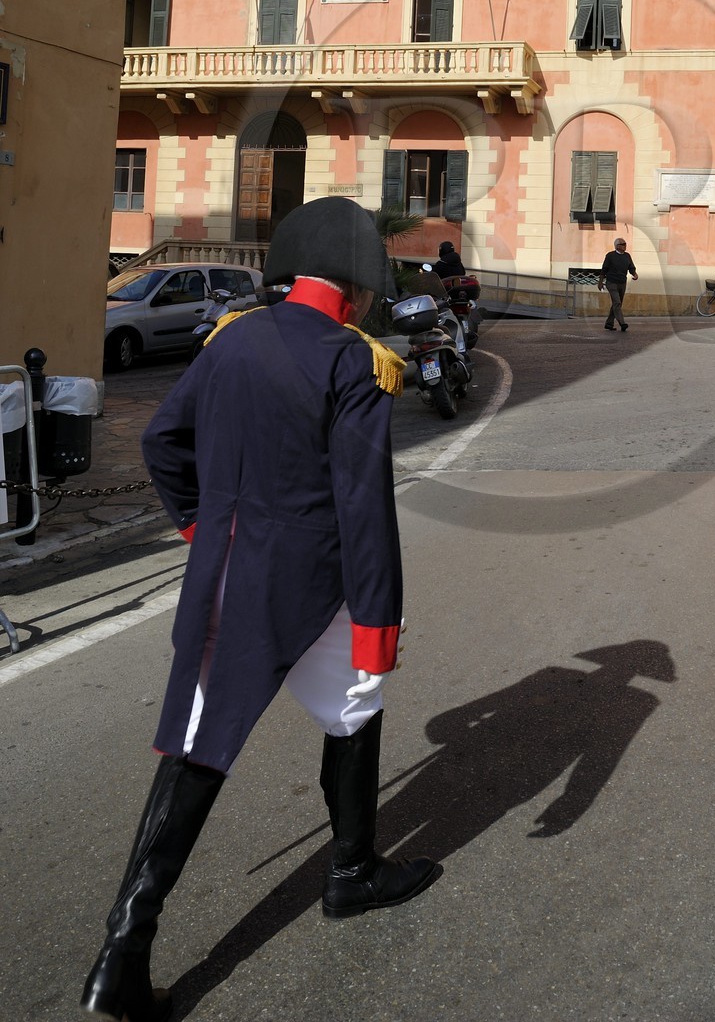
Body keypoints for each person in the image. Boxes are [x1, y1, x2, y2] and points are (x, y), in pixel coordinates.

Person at [81, 197, 441, 1022]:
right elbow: (362, 504)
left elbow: (161, 440)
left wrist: (200, 524)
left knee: (197, 744)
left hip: (221, 576)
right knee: (355, 704)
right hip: (311, 582)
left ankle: (123, 952)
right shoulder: (355, 361)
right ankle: (350, 874)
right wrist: (379, 619)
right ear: (355, 289)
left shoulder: (230, 338)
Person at [598, 237, 638, 331]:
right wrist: (600, 282)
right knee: (617, 302)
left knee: (617, 304)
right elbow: (604, 269)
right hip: (611, 282)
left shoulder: (627, 256)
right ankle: (622, 323)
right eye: (623, 244)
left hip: (622, 282)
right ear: (617, 246)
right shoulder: (610, 255)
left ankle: (609, 323)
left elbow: (631, 267)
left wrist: (635, 274)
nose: (625, 246)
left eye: (625, 244)